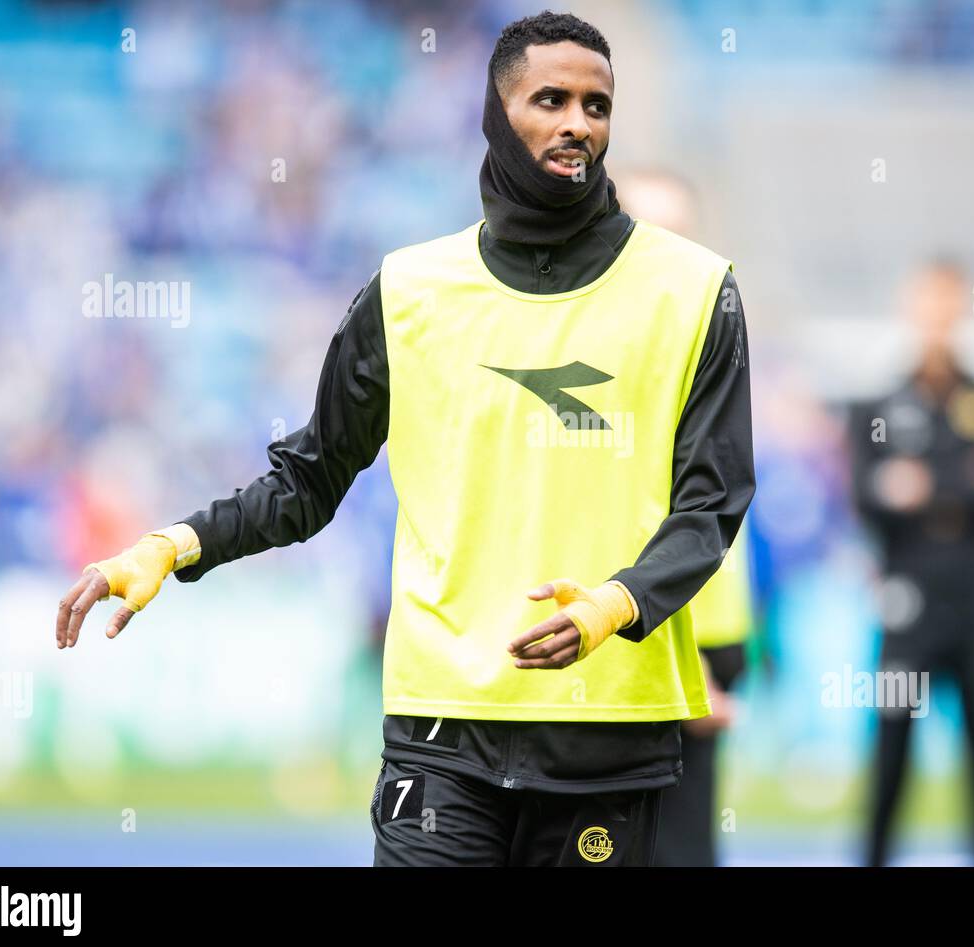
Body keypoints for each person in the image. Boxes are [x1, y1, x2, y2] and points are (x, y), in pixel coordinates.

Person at [54, 10, 755, 867]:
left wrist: (615, 605)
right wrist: (177, 544)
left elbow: (712, 507)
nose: (578, 121)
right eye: (551, 99)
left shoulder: (694, 291)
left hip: (608, 735)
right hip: (439, 733)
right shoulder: (409, 291)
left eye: (596, 105)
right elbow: (308, 481)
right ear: (496, 116)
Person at [849, 259, 974, 867]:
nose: (939, 315)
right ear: (911, 306)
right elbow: (865, 493)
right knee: (890, 753)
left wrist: (920, 483)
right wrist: (953, 480)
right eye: (928, 301)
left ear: (962, 307)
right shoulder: (877, 402)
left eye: (949, 301)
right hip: (904, 606)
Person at [617, 167, 755, 867]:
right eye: (647, 230)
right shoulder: (611, 364)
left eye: (679, 233)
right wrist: (683, 658)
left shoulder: (707, 344)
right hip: (653, 639)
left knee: (685, 845)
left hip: (711, 639)